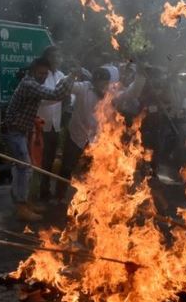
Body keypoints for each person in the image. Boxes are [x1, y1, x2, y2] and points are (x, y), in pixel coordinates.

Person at [56, 66, 143, 201]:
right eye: (100, 83)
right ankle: (58, 197)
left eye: (106, 83)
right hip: (76, 136)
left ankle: (88, 201)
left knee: (92, 172)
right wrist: (72, 75)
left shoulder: (112, 93)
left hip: (97, 141)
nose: (103, 86)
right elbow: (62, 86)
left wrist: (140, 76)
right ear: (94, 82)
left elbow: (132, 93)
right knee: (67, 167)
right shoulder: (83, 88)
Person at [4, 57, 74, 221]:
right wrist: (71, 77)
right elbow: (55, 94)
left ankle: (25, 202)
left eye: (45, 74)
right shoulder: (29, 84)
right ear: (32, 72)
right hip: (14, 132)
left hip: (21, 131)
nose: (43, 76)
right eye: (40, 73)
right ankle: (21, 206)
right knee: (24, 168)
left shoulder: (33, 83)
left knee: (21, 168)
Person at [35, 46, 67, 201]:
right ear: (47, 58)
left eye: (59, 56)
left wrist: (70, 99)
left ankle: (46, 189)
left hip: (55, 124)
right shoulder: (41, 76)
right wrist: (60, 96)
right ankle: (37, 192)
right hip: (40, 126)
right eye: (54, 57)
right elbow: (42, 99)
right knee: (40, 160)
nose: (57, 60)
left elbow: (69, 93)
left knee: (51, 159)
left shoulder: (61, 75)